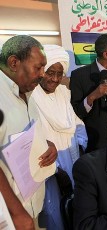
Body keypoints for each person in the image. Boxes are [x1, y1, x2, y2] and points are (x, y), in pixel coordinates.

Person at [0, 35, 58, 229]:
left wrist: (48, 145)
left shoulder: (28, 92)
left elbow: (30, 132)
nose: (43, 74)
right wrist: (16, 212)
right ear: (14, 62)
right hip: (10, 217)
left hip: (31, 207)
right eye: (38, 67)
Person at [31, 45, 88, 229]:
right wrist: (56, 170)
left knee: (74, 208)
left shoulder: (64, 93)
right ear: (41, 70)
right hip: (49, 166)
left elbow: (78, 123)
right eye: (50, 72)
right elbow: (32, 138)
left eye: (59, 73)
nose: (55, 79)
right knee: (54, 211)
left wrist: (79, 146)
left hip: (73, 158)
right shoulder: (32, 97)